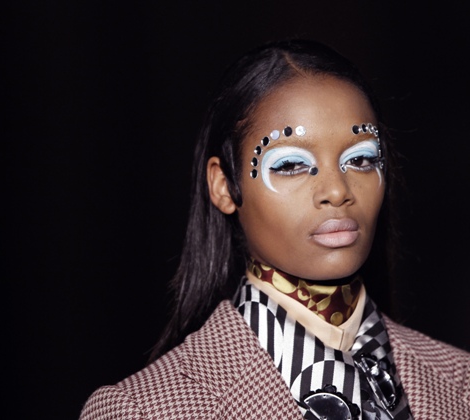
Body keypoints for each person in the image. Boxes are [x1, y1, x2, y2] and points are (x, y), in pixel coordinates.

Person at [79, 39, 470, 419]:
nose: (337, 190)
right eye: (290, 165)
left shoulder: (460, 382)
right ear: (224, 186)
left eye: (362, 159)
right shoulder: (142, 410)